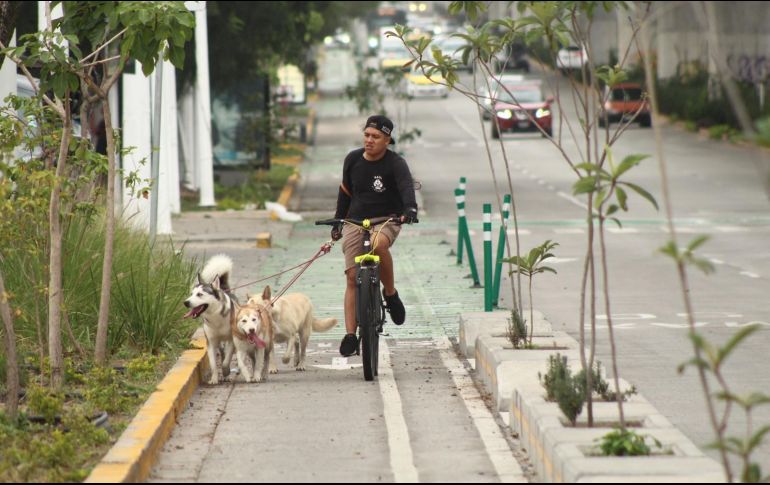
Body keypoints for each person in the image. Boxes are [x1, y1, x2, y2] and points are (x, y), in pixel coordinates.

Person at [331, 115, 418, 357]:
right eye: (367, 135)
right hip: (355, 222)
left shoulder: (396, 163)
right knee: (351, 277)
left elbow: (406, 189)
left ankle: (390, 294)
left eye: (376, 137)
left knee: (379, 245)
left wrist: (410, 210)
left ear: (387, 140)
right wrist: (338, 221)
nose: (369, 140)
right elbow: (345, 192)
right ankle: (350, 335)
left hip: (387, 220)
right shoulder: (352, 159)